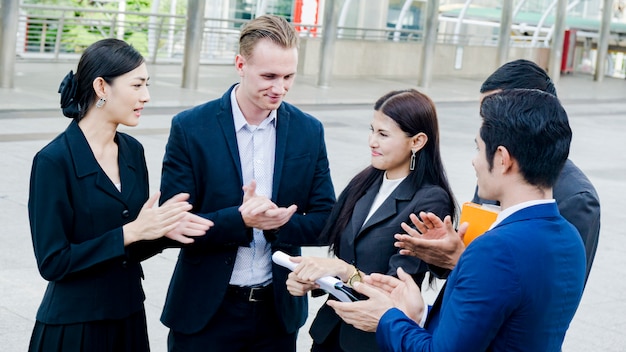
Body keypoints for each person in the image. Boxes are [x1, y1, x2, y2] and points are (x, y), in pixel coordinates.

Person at [327, 89, 587, 351]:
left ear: (502, 159)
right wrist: (418, 312)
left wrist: (387, 318)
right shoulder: (570, 238)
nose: (474, 161)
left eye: (478, 148)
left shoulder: (494, 249)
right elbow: (502, 324)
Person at [159, 14, 336, 351]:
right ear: (240, 64)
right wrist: (240, 220)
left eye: (288, 76)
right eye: (269, 76)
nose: (279, 88)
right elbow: (175, 223)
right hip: (205, 312)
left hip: (277, 314)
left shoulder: (308, 131)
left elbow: (327, 221)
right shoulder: (191, 128)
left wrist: (277, 226)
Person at [27, 38, 213, 352]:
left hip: (128, 318)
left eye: (146, 85)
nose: (146, 96)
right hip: (75, 327)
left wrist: (164, 232)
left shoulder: (132, 151)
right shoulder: (53, 161)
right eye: (137, 85)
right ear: (102, 87)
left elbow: (131, 246)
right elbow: (53, 262)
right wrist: (132, 231)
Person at [395, 59, 600, 285]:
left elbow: (553, 294)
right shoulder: (495, 168)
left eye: (492, 115)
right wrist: (441, 251)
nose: (485, 127)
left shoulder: (577, 198)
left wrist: (461, 261)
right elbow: (468, 249)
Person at [285, 89, 457, 352]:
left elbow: (396, 285)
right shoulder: (364, 183)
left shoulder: (430, 200)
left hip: (374, 339)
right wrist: (313, 279)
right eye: (372, 130)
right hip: (330, 333)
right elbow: (335, 245)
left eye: (383, 134)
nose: (372, 142)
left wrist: (342, 270)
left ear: (417, 141)